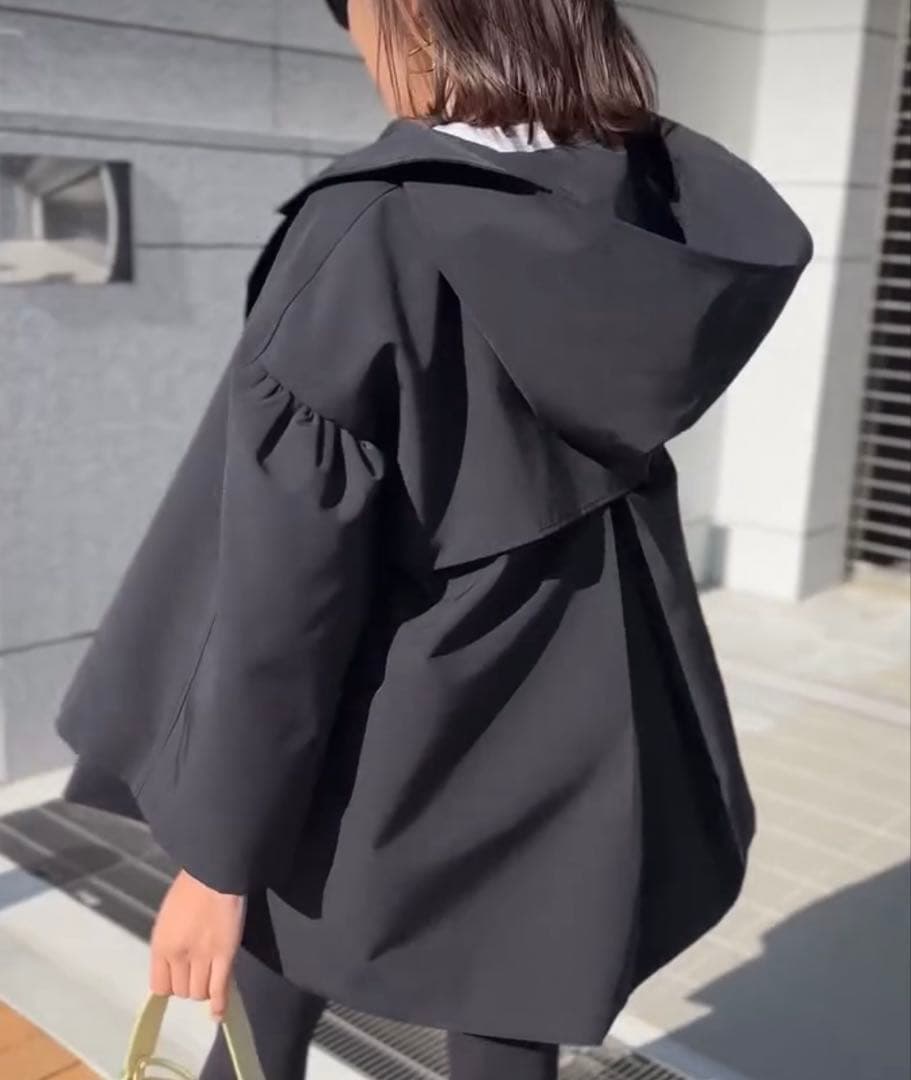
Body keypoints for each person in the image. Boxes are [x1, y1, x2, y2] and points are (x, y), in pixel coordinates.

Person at [54, 1, 813, 1077]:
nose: (359, 42)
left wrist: (216, 862)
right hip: (580, 719)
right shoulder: (644, 211)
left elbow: (283, 584)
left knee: (262, 999)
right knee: (509, 1002)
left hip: (375, 716)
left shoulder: (380, 226)